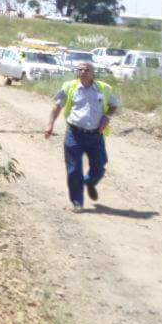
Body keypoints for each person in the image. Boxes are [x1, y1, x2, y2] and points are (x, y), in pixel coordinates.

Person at [44, 63, 119, 212]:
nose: (83, 72)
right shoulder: (69, 87)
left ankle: (89, 182)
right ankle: (77, 202)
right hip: (74, 134)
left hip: (95, 135)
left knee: (99, 167)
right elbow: (57, 106)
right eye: (80, 69)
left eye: (87, 70)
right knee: (74, 169)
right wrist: (50, 125)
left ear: (93, 73)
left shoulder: (103, 88)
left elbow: (114, 104)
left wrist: (107, 116)